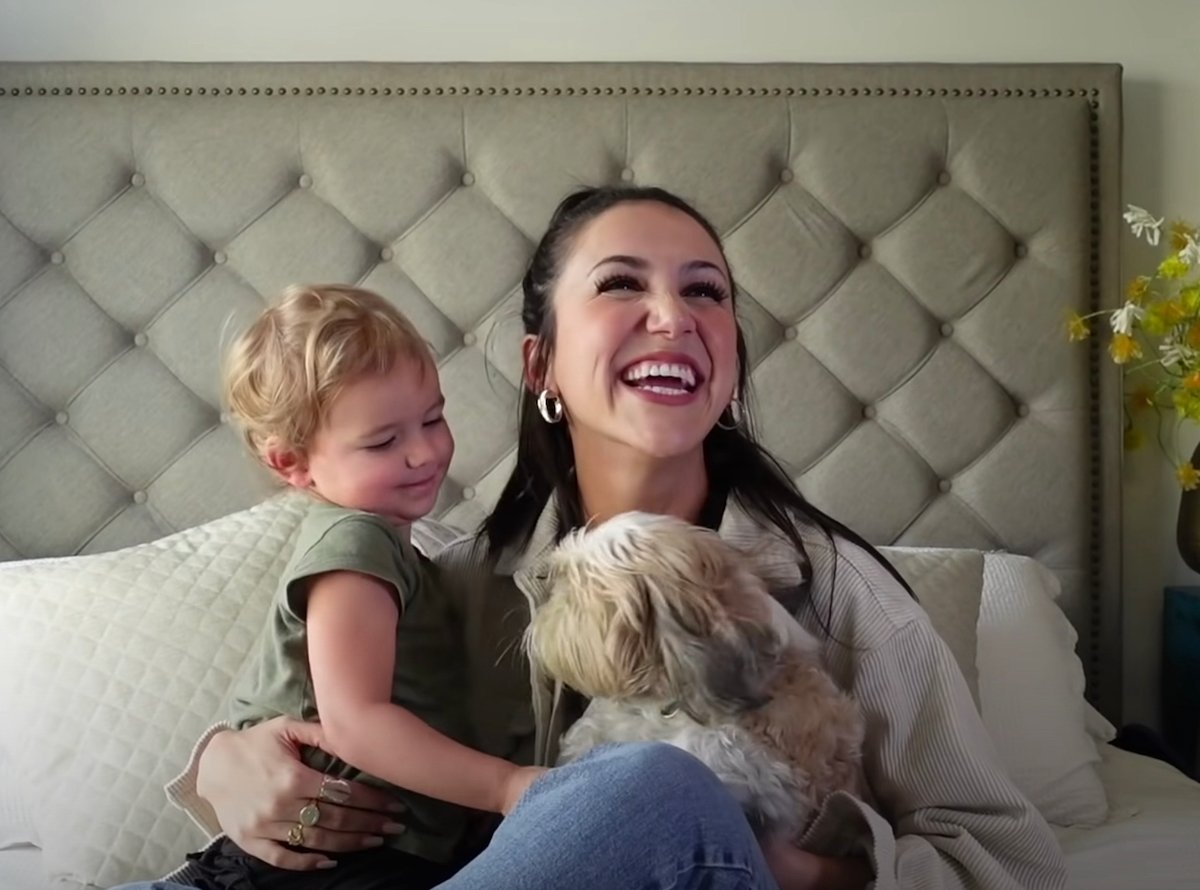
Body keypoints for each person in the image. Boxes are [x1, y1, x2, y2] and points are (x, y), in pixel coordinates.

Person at [118, 187, 1068, 890]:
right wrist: (224, 764)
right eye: (622, 284)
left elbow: (1011, 859)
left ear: (729, 360)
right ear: (543, 363)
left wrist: (816, 874)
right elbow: (334, 715)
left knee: (656, 788)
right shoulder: (449, 580)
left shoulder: (836, 592)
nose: (673, 316)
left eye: (707, 293)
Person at [142, 285, 545, 890]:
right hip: (318, 865)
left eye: (433, 418)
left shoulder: (404, 556)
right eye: (383, 441)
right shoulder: (357, 542)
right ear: (292, 464)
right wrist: (506, 787)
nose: (425, 452)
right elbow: (356, 720)